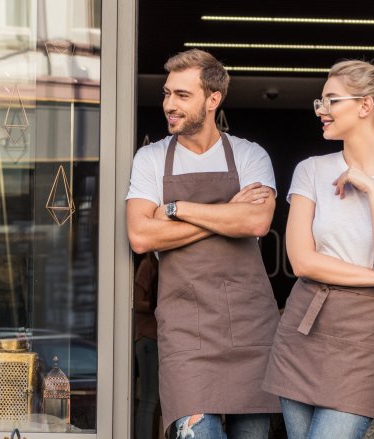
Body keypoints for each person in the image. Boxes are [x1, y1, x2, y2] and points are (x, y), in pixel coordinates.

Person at [262, 58, 374, 439]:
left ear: (365, 106)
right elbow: (302, 261)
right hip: (303, 327)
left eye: (331, 100)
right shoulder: (311, 170)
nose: (322, 111)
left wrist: (373, 190)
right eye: (320, 102)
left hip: (362, 333)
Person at [126, 49, 281, 438]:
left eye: (182, 95)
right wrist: (226, 215)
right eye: (166, 94)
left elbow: (258, 221)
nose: (168, 105)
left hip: (250, 327)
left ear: (213, 100)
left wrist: (175, 209)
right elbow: (142, 236)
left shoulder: (249, 155)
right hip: (185, 327)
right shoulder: (150, 158)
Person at [133, 252, 160, 439]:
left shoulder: (157, 264)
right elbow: (135, 301)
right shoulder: (147, 265)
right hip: (148, 337)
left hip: (157, 339)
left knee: (155, 399)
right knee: (149, 399)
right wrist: (156, 306)